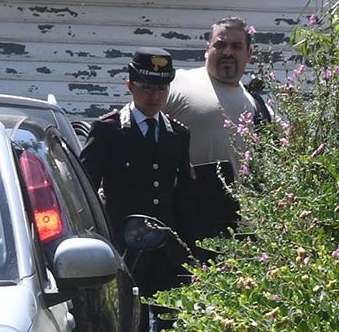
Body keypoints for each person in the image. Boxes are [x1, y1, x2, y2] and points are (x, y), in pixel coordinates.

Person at [78, 47, 195, 300]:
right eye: (146, 88)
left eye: (162, 89)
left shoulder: (177, 134)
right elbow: (84, 191)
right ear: (130, 85)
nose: (154, 96)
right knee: (130, 318)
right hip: (124, 250)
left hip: (167, 252)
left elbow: (185, 197)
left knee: (171, 319)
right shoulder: (108, 130)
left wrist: (191, 251)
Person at [165, 16, 272, 241]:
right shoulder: (178, 83)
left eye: (236, 46)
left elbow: (292, 142)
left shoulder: (256, 105)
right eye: (220, 44)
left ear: (249, 54)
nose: (227, 52)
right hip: (182, 222)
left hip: (239, 229)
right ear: (207, 49)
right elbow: (132, 123)